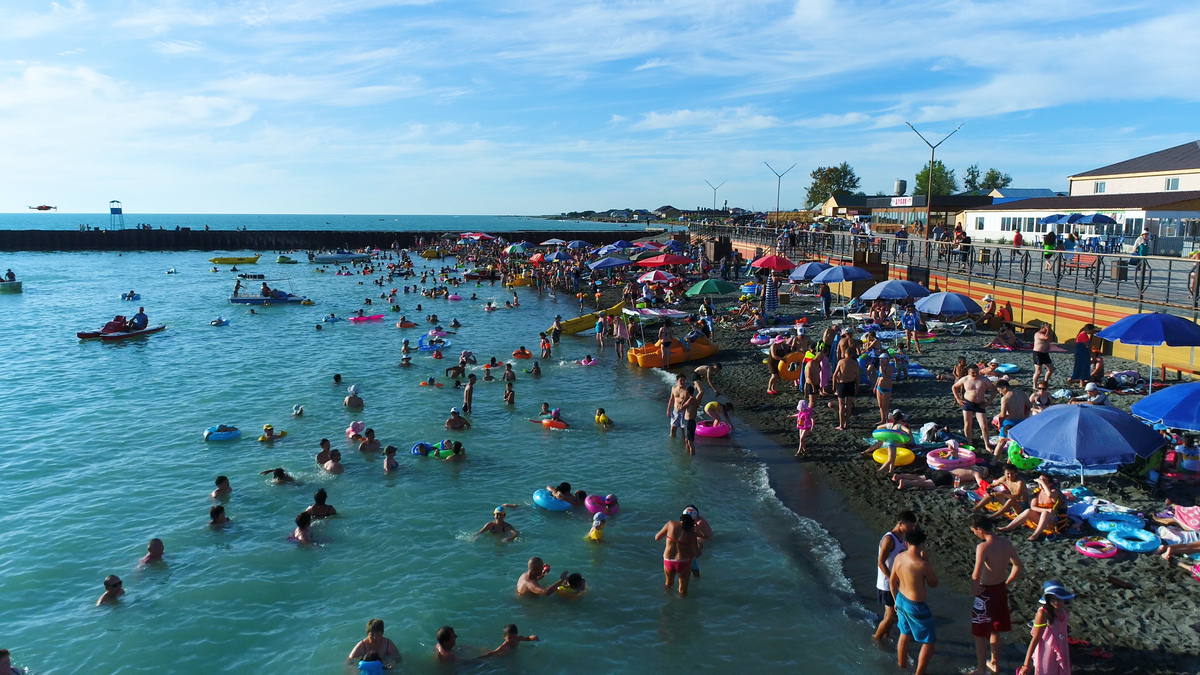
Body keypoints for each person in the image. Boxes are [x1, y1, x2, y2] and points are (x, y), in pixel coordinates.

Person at [969, 514, 1023, 675]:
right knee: (994, 629)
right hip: (1000, 589)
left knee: (979, 633)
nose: (974, 534)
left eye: (973, 531)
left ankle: (980, 668)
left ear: (979, 529)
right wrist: (1007, 583)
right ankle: (994, 663)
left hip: (986, 592)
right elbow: (1018, 566)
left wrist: (974, 589)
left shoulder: (983, 547)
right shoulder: (1006, 543)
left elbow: (976, 573)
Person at [890, 528, 939, 675]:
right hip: (916, 606)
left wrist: (895, 601)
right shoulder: (922, 565)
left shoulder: (899, 557)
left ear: (906, 543)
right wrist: (928, 561)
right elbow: (934, 583)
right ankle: (920, 673)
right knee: (929, 641)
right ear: (922, 544)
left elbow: (892, 582)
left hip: (900, 599)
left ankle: (902, 667)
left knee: (904, 634)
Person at [874, 511, 916, 642]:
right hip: (886, 585)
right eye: (910, 525)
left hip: (896, 583)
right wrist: (893, 579)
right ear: (900, 524)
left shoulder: (902, 538)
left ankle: (886, 636)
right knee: (891, 617)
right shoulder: (889, 539)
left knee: (890, 615)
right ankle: (876, 639)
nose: (912, 528)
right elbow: (880, 562)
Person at [1017, 581, 1074, 675]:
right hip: (1046, 652)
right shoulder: (1043, 613)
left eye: (1059, 599)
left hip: (1062, 648)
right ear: (1047, 599)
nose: (1056, 602)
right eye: (1052, 599)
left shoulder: (1063, 610)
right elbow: (1035, 639)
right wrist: (1026, 665)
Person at [999, 473, 1063, 542]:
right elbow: (1033, 507)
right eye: (1040, 481)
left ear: (1050, 484)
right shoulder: (1038, 492)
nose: (1040, 483)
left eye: (1044, 481)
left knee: (1045, 513)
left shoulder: (1055, 492)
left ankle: (1035, 535)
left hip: (1053, 522)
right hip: (1041, 519)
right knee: (1028, 511)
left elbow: (1050, 495)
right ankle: (1008, 527)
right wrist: (1046, 509)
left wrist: (1042, 482)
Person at [953, 364, 997, 455]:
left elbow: (994, 390)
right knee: (968, 424)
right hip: (968, 403)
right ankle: (969, 442)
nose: (975, 374)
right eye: (973, 373)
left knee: (984, 426)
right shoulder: (965, 379)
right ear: (969, 372)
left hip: (980, 404)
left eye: (977, 372)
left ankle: (987, 445)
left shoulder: (984, 379)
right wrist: (958, 399)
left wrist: (989, 402)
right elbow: (954, 387)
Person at [655, 512, 700, 596]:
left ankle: (667, 601)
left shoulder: (670, 524)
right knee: (683, 591)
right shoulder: (691, 534)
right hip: (683, 562)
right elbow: (696, 553)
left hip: (668, 560)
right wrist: (700, 547)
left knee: (668, 584)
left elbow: (657, 537)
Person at [832, 349, 860, 430]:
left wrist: (834, 386)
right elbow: (857, 377)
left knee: (841, 406)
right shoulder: (855, 363)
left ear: (845, 353)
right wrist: (857, 387)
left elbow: (834, 375)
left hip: (842, 384)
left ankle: (841, 425)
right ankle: (846, 423)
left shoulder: (841, 362)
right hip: (851, 384)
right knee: (849, 406)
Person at [667, 374, 694, 441]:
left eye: (684, 380)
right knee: (672, 430)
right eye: (681, 380)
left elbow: (691, 401)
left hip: (684, 412)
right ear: (677, 380)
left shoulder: (686, 391)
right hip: (675, 411)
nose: (682, 382)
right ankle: (672, 446)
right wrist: (668, 410)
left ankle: (684, 445)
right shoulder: (673, 388)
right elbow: (671, 399)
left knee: (683, 431)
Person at [1031, 324, 1055, 388]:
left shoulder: (1047, 333)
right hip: (1038, 354)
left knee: (1051, 369)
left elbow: (1050, 339)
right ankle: (1034, 386)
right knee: (1038, 371)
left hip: (1045, 354)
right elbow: (1045, 338)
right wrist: (1048, 330)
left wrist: (1048, 331)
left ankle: (1045, 382)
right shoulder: (1038, 334)